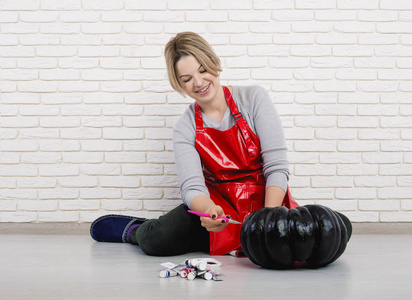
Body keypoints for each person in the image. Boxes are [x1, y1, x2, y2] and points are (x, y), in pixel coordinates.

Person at [90, 32, 352, 256]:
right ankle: (138, 229)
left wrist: (269, 219)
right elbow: (192, 187)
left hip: (267, 203)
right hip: (220, 209)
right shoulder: (186, 126)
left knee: (333, 230)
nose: (199, 82)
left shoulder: (253, 99)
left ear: (214, 64)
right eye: (187, 78)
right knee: (155, 240)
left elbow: (277, 166)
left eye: (203, 70)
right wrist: (208, 211)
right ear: (180, 85)